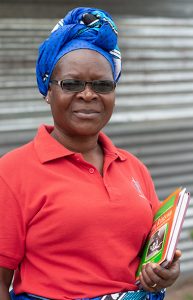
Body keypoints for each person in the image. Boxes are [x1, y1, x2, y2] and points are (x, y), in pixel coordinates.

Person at [0, 7, 181, 300]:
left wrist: (166, 272)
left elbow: (151, 255)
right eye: (71, 84)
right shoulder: (12, 172)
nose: (88, 94)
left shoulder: (133, 168)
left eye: (102, 85)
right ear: (48, 89)